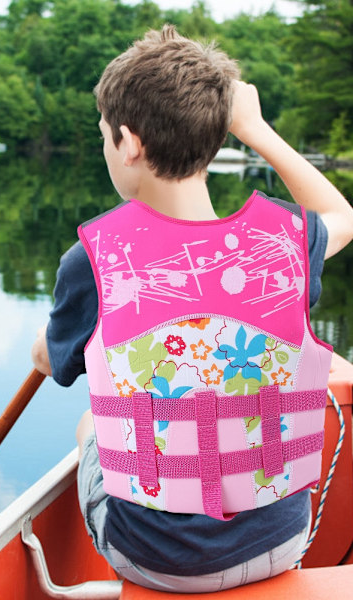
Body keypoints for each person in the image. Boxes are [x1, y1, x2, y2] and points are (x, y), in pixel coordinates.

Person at [31, 25, 353, 593]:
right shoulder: (286, 242)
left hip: (158, 562)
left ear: (128, 142)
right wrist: (255, 129)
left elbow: (52, 360)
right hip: (281, 541)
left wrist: (45, 345)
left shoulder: (92, 260)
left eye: (105, 136)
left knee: (93, 426)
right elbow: (340, 211)